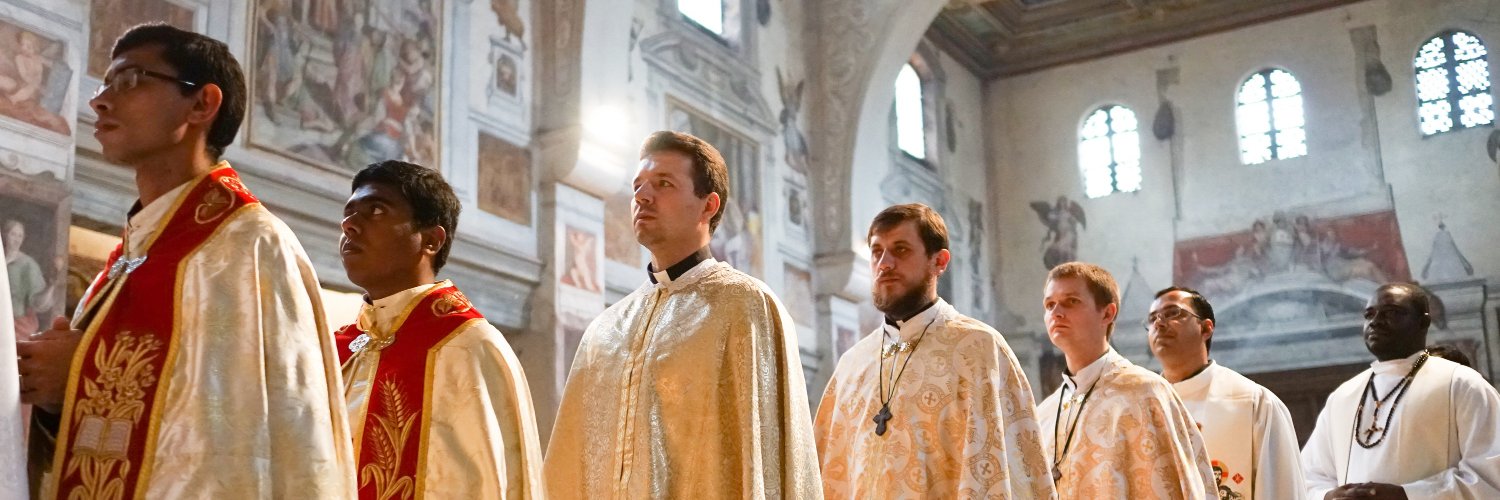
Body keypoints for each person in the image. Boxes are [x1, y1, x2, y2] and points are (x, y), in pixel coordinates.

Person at [14, 23, 353, 498]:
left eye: (130, 80)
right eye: (104, 84)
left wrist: (86, 369)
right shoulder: (132, 254)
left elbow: (242, 445)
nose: (101, 100)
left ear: (202, 104)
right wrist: (57, 397)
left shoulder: (248, 247)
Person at [543, 131, 822, 498]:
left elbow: (768, 464)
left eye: (663, 184)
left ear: (708, 205)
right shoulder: (605, 330)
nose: (642, 197)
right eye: (638, 185)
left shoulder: (745, 306)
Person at [334, 160, 544, 498]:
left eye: (375, 210)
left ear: (431, 240)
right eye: (349, 212)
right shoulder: (337, 350)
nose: (350, 225)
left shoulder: (468, 346)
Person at [814, 203, 1054, 498]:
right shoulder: (853, 364)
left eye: (900, 250)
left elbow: (1009, 474)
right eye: (877, 252)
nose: (884, 263)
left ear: (939, 262)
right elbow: (825, 475)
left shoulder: (978, 350)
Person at [1301, 283, 1500, 499]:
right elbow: (1308, 477)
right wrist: (1329, 496)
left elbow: (1490, 475)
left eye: (1391, 313)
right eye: (1369, 315)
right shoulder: (1343, 396)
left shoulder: (1462, 384)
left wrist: (1407, 495)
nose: (1375, 322)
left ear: (1423, 322)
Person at [1036, 262, 1215, 498]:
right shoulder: (1044, 414)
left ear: (1108, 313)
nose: (1056, 312)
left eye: (1071, 301)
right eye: (1050, 304)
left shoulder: (1145, 393)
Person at [1147, 286, 1304, 500]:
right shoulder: (1139, 406)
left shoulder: (1255, 404)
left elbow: (1282, 491)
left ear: (1206, 328)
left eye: (1173, 313)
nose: (1159, 323)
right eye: (1152, 318)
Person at [4, 219, 58, 336]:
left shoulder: (29, 265)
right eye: (13, 234)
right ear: (5, 235)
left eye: (20, 235)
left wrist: (50, 286)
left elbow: (38, 301)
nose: (16, 239)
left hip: (16, 326)